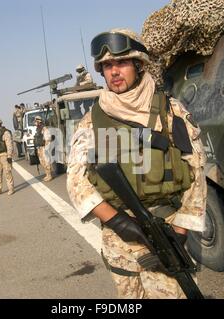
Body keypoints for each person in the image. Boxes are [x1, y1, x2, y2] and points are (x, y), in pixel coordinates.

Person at [66, 29, 207, 299]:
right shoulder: (92, 120)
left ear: (139, 65)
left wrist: (179, 232)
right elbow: (76, 180)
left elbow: (196, 171)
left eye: (121, 63)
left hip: (165, 231)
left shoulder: (170, 112)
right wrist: (119, 222)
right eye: (107, 66)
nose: (114, 72)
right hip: (119, 243)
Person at [0, 118, 15, 196]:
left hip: (4, 154)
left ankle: (11, 188)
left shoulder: (5, 133)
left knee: (7, 172)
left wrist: (9, 156)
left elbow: (9, 144)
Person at [34, 116, 53, 182]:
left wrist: (46, 148)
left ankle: (49, 175)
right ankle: (47, 174)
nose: (35, 122)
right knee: (42, 162)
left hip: (44, 147)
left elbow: (48, 139)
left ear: (39, 121)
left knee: (46, 161)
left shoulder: (44, 128)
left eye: (36, 121)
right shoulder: (38, 129)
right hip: (40, 148)